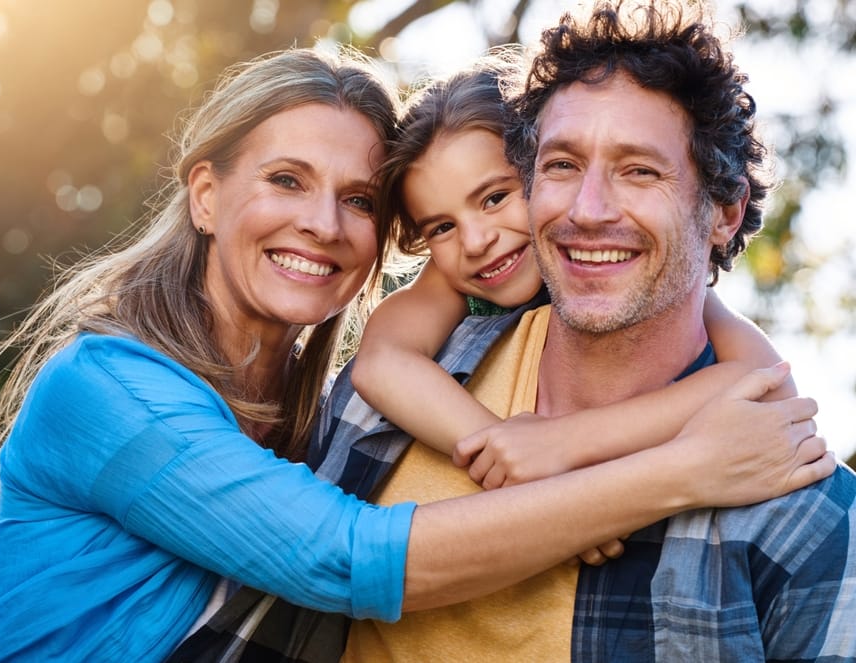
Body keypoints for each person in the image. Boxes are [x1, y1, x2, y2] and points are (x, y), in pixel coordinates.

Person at [0, 46, 829, 663]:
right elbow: (344, 558)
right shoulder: (109, 387)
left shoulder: (317, 413)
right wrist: (676, 472)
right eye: (285, 181)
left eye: (355, 199)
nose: (322, 222)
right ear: (204, 195)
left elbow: (738, 358)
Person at [319, 2, 855, 661]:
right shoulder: (401, 383)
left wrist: (563, 446)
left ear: (725, 211)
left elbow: (768, 388)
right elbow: (315, 567)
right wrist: (519, 464)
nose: (588, 209)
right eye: (564, 165)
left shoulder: (800, 506)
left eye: (639, 170)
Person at [351, 48, 796, 500]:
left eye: (494, 198)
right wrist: (509, 453)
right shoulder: (454, 279)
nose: (476, 240)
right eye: (441, 227)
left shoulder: (658, 282)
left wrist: (567, 441)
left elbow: (767, 380)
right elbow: (382, 364)